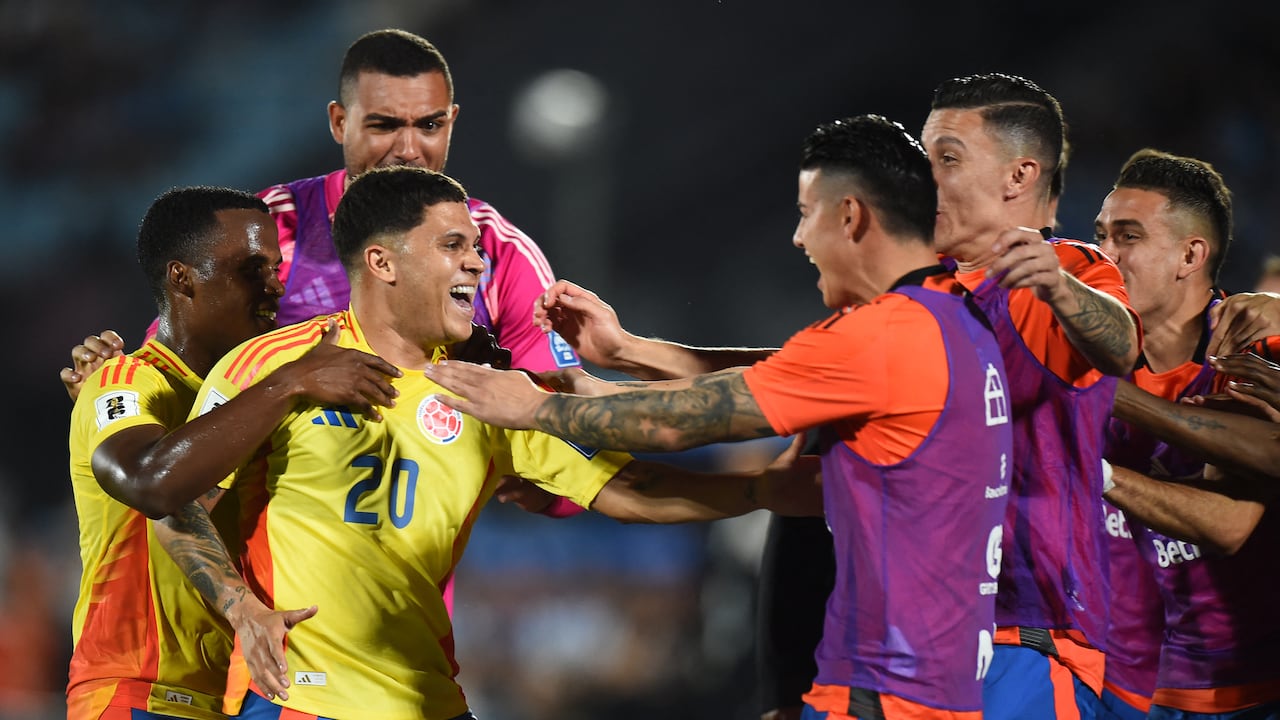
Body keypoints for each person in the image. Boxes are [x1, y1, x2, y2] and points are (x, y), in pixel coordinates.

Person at [168, 165, 814, 720]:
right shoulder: (271, 366)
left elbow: (626, 488)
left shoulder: (487, 390)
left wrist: (760, 490)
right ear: (382, 261)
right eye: (452, 245)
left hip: (430, 702)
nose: (477, 261)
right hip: (298, 700)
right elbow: (176, 497)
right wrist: (238, 605)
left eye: (476, 246)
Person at [426, 114, 1015, 718]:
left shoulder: (887, 336)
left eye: (807, 212)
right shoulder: (949, 320)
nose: (798, 237)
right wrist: (620, 359)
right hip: (932, 685)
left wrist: (538, 409)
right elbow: (780, 374)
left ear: (851, 216)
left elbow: (685, 423)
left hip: (886, 694)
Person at [66, 186, 398, 719]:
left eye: (276, 266)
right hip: (138, 690)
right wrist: (289, 381)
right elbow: (150, 482)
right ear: (182, 279)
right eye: (252, 269)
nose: (275, 285)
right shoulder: (122, 380)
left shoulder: (250, 393)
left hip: (234, 692)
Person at [917, 73, 1141, 719]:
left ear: (1018, 177)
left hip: (1026, 640)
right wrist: (654, 359)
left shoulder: (1068, 275)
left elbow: (1120, 345)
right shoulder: (914, 296)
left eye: (947, 158)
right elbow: (800, 376)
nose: (922, 177)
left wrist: (1063, 294)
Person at [1095, 149, 1280, 720]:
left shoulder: (1256, 353)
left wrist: (1093, 455)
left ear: (1190, 254)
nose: (1103, 254)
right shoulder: (1080, 354)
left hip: (1254, 689)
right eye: (1099, 234)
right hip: (1126, 687)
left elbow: (1229, 524)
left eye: (1127, 236)